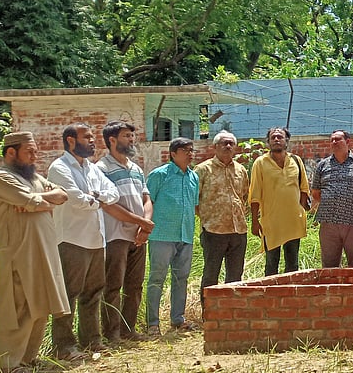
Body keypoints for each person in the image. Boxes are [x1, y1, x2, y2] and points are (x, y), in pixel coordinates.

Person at [0, 132, 70, 373]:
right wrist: (38, 202)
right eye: (30, 151)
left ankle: (27, 360)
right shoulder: (0, 178)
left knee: (41, 304)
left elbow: (62, 195)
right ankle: (7, 366)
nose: (35, 156)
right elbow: (33, 201)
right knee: (15, 308)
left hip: (43, 252)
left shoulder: (34, 177)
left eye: (36, 151)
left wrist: (36, 201)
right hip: (16, 252)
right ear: (11, 152)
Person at [47, 122, 121, 357]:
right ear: (71, 140)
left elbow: (113, 193)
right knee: (69, 293)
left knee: (93, 293)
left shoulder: (91, 168)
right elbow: (76, 199)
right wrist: (97, 199)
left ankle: (92, 341)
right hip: (72, 239)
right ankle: (64, 346)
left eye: (92, 137)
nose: (92, 141)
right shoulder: (59, 167)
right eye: (86, 137)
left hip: (96, 239)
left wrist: (95, 197)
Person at [97, 121, 156, 342]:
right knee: (113, 285)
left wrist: (144, 225)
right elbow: (108, 205)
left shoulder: (136, 168)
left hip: (138, 236)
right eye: (126, 136)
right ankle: (111, 333)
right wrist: (140, 221)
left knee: (134, 284)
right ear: (112, 140)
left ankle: (128, 330)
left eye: (132, 136)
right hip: (116, 235)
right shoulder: (101, 169)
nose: (131, 140)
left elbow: (146, 198)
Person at [146, 138, 199, 333]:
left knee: (181, 278)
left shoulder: (193, 177)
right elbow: (148, 201)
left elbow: (194, 205)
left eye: (192, 150)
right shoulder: (160, 175)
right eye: (185, 150)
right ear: (173, 153)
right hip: (162, 234)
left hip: (185, 234)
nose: (190, 154)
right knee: (156, 279)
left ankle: (178, 319)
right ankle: (152, 323)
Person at [249, 126, 310, 276]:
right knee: (271, 266)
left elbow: (304, 189)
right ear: (268, 142)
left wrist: (301, 212)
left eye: (280, 137)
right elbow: (255, 194)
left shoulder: (296, 161)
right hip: (271, 223)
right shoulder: (260, 163)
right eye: (273, 137)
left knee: (292, 266)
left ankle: (290, 297)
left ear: (286, 141)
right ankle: (271, 297)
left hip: (293, 222)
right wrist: (255, 222)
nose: (276, 139)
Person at [195, 131, 249, 293]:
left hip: (238, 231)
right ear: (215, 147)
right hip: (213, 231)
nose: (227, 146)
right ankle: (209, 314)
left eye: (231, 144)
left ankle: (230, 314)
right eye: (224, 143)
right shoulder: (203, 170)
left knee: (235, 276)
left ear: (235, 148)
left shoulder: (241, 170)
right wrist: (207, 217)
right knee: (211, 276)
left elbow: (244, 196)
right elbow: (194, 200)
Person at [312, 130, 353, 268]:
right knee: (329, 267)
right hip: (328, 223)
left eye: (338, 139)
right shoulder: (322, 165)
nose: (334, 142)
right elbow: (316, 193)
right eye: (332, 140)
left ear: (348, 142)